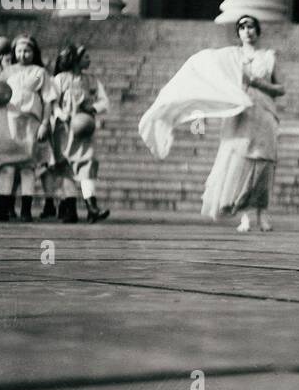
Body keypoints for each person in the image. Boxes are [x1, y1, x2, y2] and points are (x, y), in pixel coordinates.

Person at [139, 15, 284, 232]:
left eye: (251, 26)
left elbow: (280, 89)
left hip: (264, 113)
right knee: (241, 164)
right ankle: (245, 215)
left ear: (258, 30)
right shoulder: (231, 57)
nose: (247, 31)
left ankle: (263, 214)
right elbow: (207, 69)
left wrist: (256, 82)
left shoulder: (269, 57)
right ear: (238, 33)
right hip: (241, 113)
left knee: (264, 163)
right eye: (242, 27)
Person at [0, 34, 55, 222]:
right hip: (9, 121)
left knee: (27, 167)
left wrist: (45, 123)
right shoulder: (7, 72)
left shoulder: (40, 72)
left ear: (33, 52)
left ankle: (26, 210)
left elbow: (48, 100)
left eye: (27, 50)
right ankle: (3, 207)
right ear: (14, 52)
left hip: (30, 123)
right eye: (19, 50)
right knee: (7, 165)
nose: (23, 54)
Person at [49, 44, 111, 223]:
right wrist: (62, 114)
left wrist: (94, 107)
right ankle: (70, 208)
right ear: (75, 59)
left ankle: (92, 207)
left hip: (84, 131)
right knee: (66, 166)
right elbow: (52, 102)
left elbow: (104, 101)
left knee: (87, 165)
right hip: (64, 130)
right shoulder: (60, 79)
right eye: (86, 57)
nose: (89, 60)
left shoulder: (92, 80)